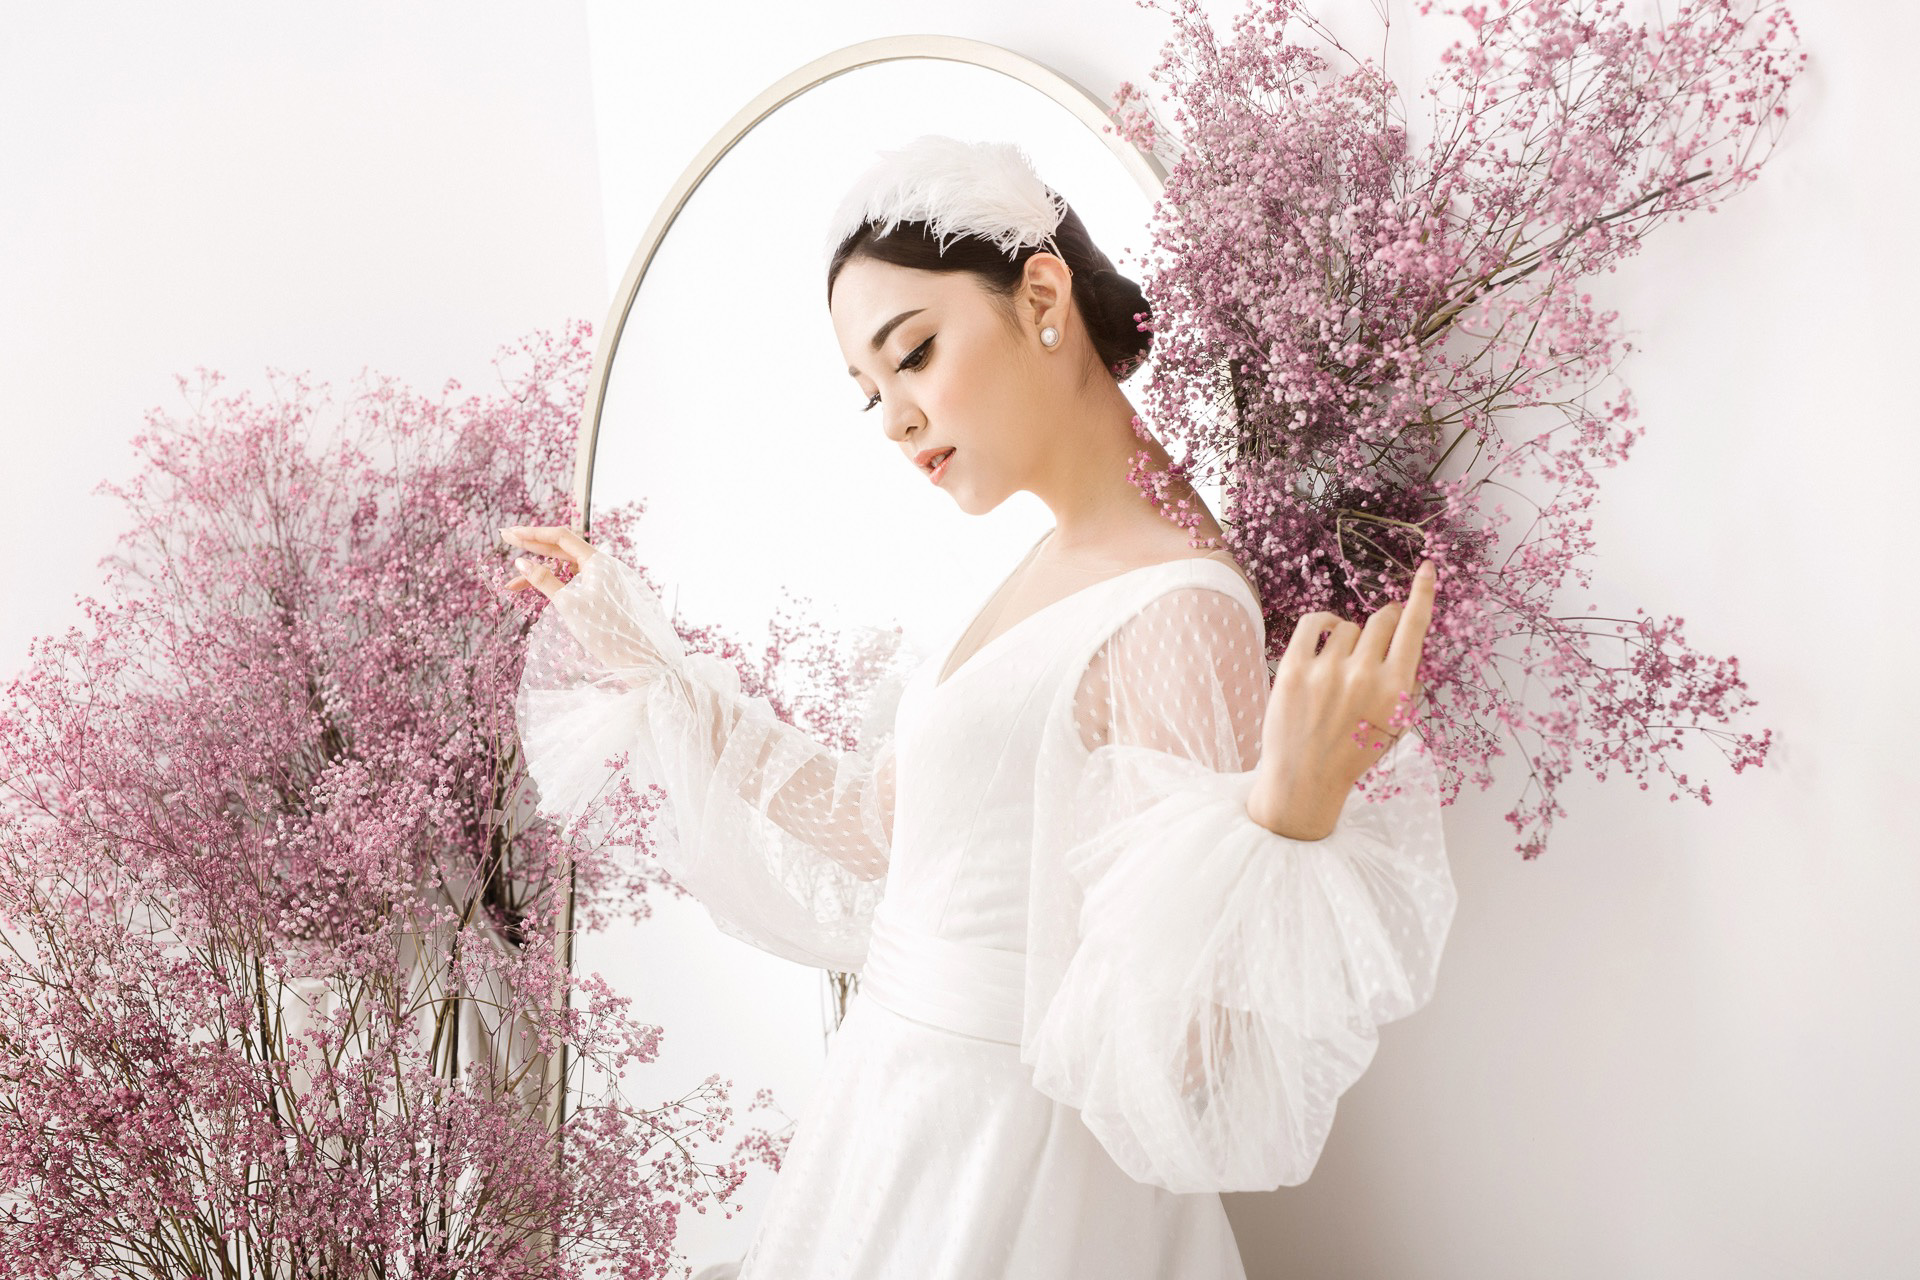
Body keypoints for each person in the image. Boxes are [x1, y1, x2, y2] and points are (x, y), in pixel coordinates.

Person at [501, 135, 1456, 1279]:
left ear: (1042, 296)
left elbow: (1188, 1056)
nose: (896, 419)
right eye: (871, 393)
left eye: (912, 354)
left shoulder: (1176, 602)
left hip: (1015, 1170)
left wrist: (1287, 818)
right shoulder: (1051, 561)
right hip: (899, 1123)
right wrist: (652, 663)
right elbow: (883, 827)